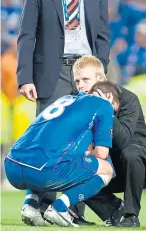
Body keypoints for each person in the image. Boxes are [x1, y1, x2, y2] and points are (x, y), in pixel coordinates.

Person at [17, 0, 110, 225]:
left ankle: (68, 210)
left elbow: (103, 37)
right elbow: (26, 36)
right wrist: (25, 77)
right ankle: (34, 203)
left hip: (85, 70)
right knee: (48, 142)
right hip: (51, 70)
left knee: (80, 143)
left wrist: (98, 73)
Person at [4, 81, 119, 227]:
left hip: (11, 165)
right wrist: (86, 153)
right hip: (44, 173)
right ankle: (60, 207)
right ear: (109, 96)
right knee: (106, 168)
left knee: (46, 154)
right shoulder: (104, 104)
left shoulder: (65, 99)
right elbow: (102, 153)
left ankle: (30, 205)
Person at [72, 55, 146, 228]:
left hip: (138, 165)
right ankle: (115, 212)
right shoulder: (79, 105)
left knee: (131, 152)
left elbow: (124, 142)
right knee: (75, 169)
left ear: (101, 78)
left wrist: (108, 111)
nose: (81, 85)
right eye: (77, 81)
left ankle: (130, 215)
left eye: (85, 79)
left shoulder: (128, 99)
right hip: (112, 168)